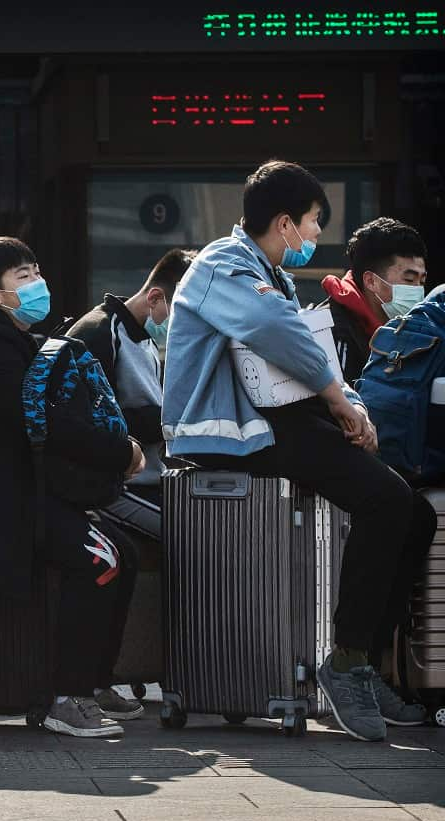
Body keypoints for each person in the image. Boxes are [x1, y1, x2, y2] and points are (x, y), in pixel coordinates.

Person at [161, 160, 438, 741]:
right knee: (386, 499)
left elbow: (307, 353)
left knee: (415, 512)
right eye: (313, 223)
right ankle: (346, 663)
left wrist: (350, 405)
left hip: (276, 424)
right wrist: (340, 401)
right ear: (284, 222)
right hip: (234, 434)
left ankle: (363, 666)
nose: (315, 236)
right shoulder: (222, 264)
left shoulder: (268, 269)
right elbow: (278, 332)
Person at [0, 237, 147, 738]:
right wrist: (117, 450)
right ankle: (68, 696)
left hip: (17, 499)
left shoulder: (3, 339)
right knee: (99, 560)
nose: (38, 283)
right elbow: (39, 422)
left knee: (122, 551)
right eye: (23, 276)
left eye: (36, 270)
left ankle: (94, 680)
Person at [67, 248, 195, 539]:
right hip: (113, 485)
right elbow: (97, 422)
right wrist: (173, 418)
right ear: (154, 298)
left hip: (149, 478)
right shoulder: (99, 333)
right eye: (183, 315)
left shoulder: (145, 337)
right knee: (190, 534)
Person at [316, 217, 428, 382]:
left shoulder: (416, 327)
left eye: (422, 282)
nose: (418, 291)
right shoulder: (332, 331)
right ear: (371, 281)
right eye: (409, 280)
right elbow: (342, 403)